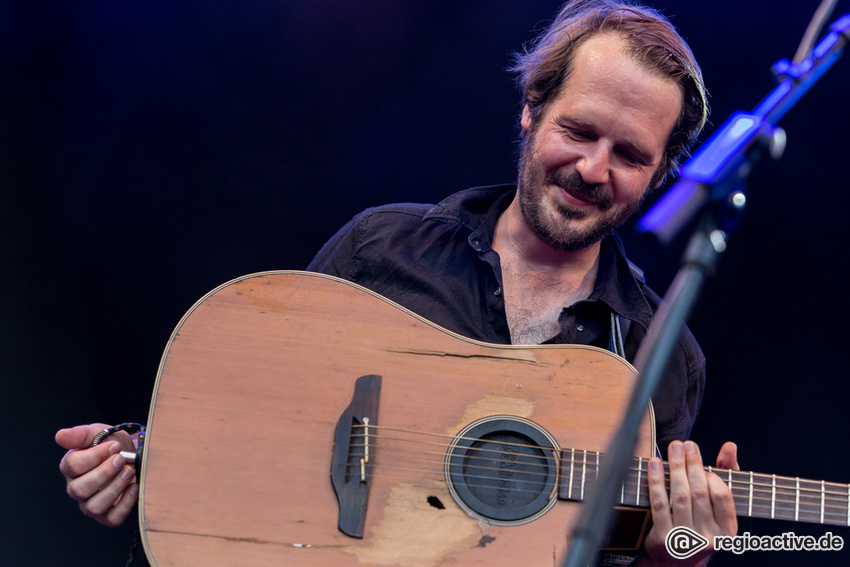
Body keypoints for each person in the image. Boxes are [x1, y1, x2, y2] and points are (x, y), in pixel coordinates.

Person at [56, 1, 740, 565]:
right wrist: (140, 458)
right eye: (580, 130)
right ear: (530, 110)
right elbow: (256, 410)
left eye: (629, 155)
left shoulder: (662, 351)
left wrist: (676, 550)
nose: (594, 169)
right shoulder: (382, 247)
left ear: (661, 176)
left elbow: (620, 552)